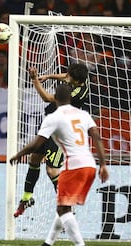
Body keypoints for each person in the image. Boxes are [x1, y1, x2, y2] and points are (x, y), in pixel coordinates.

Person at [10, 83, 109, 246]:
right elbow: (97, 137)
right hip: (90, 165)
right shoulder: (83, 114)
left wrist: (19, 154)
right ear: (71, 98)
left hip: (74, 166)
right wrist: (103, 165)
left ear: (55, 98)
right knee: (63, 208)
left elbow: (36, 143)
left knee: (64, 209)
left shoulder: (53, 117)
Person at [14, 63, 89, 217]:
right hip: (50, 125)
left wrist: (35, 80)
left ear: (75, 81)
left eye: (69, 77)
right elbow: (66, 76)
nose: (66, 77)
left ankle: (67, 207)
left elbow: (46, 97)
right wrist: (49, 76)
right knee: (34, 159)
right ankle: (27, 198)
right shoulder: (81, 80)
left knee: (52, 170)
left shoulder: (75, 94)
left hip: (61, 131)